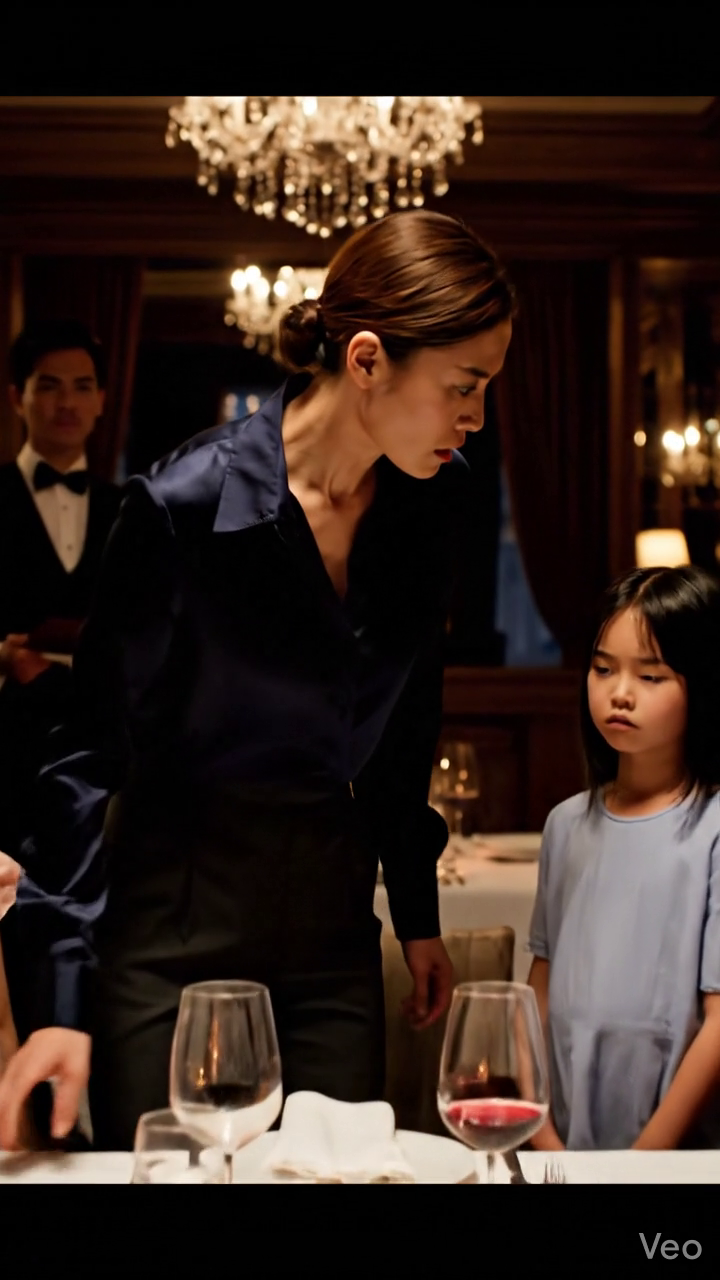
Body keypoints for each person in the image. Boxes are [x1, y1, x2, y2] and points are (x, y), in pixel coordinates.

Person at [0, 210, 515, 1151]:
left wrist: (416, 910)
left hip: (331, 937)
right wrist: (60, 1000)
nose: (476, 417)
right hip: (167, 940)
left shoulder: (429, 507)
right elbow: (86, 755)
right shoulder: (183, 506)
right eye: (464, 386)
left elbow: (406, 728)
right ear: (367, 359)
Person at [527, 565, 720, 1150]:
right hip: (561, 1144)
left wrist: (642, 1161)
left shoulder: (712, 829)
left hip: (674, 1152)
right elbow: (537, 995)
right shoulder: (566, 825)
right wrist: (543, 1137)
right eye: (603, 668)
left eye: (651, 675)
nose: (620, 693)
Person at [0, 321, 121, 1053]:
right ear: (19, 396)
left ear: (103, 399)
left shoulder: (131, 510)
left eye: (82, 387)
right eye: (50, 386)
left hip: (101, 770)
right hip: (6, 762)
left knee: (99, 949)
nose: (67, 403)